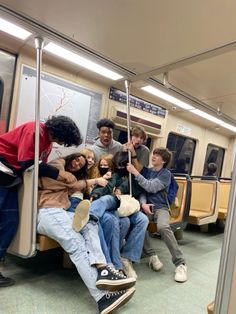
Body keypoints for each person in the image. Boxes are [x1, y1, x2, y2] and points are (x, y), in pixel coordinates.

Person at [37, 153, 136, 313]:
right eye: (76, 159)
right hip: (47, 211)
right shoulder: (56, 167)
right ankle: (102, 298)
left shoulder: (70, 180)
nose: (77, 164)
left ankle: (104, 269)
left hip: (61, 212)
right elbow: (66, 175)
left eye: (80, 163)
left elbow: (76, 185)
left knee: (90, 224)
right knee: (77, 244)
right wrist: (69, 165)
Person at [0, 115, 82, 287]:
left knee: (10, 221)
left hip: (11, 177)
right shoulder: (35, 130)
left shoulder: (48, 142)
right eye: (64, 140)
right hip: (3, 168)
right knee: (8, 220)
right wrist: (59, 174)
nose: (62, 144)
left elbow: (38, 169)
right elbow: (28, 163)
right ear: (60, 132)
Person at [127, 147, 187, 283]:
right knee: (138, 223)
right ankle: (152, 255)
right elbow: (143, 192)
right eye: (153, 154)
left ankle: (180, 263)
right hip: (148, 207)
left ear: (164, 160)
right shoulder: (148, 171)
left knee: (163, 227)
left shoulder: (166, 174)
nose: (154, 156)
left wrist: (135, 172)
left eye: (158, 155)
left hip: (161, 208)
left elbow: (151, 187)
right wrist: (143, 204)